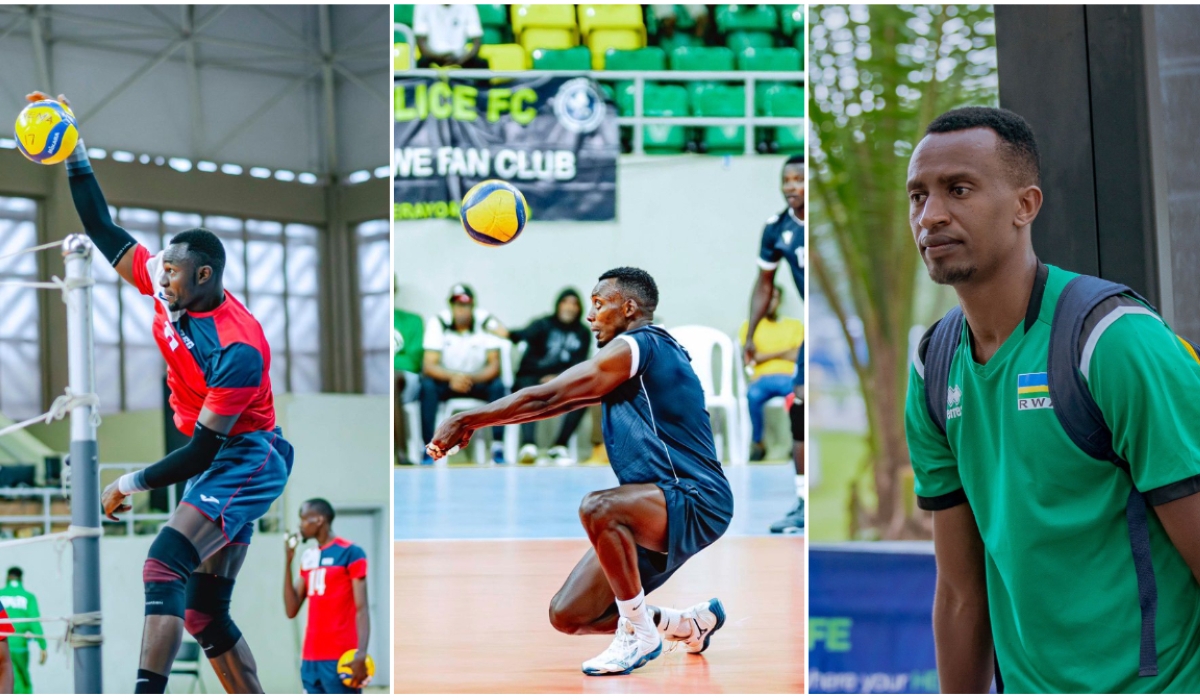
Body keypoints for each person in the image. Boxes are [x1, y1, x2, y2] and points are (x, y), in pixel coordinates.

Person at [904, 106, 1200, 692]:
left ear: (1025, 205)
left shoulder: (1113, 340)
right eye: (917, 196)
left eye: (958, 189)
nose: (931, 216)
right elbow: (962, 594)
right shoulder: (932, 363)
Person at [31, 90, 296, 694]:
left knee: (161, 564)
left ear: (205, 276)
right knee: (204, 613)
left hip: (246, 458)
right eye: (161, 270)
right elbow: (100, 225)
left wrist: (127, 484)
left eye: (171, 273)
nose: (159, 279)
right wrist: (73, 148)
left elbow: (205, 454)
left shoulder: (239, 350)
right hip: (218, 455)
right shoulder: (165, 284)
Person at [429, 267, 733, 675]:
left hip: (695, 497)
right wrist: (477, 421)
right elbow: (557, 403)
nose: (591, 316)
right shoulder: (632, 354)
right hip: (654, 506)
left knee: (598, 507)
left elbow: (547, 396)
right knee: (569, 615)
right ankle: (685, 624)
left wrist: (468, 419)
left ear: (628, 308)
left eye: (598, 304)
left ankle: (639, 634)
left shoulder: (639, 345)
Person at [745, 154, 806, 534]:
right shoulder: (776, 228)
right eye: (787, 179)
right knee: (798, 408)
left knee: (805, 406)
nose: (791, 185)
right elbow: (764, 285)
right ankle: (802, 504)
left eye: (799, 179)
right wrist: (750, 334)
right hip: (808, 332)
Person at [490, 289, 592, 465]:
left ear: (579, 308)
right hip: (531, 376)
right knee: (528, 390)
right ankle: (529, 445)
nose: (569, 307)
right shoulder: (543, 324)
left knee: (586, 393)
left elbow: (580, 365)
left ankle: (560, 446)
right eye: (565, 302)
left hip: (563, 380)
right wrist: (505, 333)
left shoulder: (582, 333)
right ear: (558, 305)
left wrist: (558, 378)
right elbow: (522, 335)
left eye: (574, 304)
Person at [284, 499, 371, 694]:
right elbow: (291, 610)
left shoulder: (351, 552)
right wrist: (288, 561)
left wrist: (361, 654)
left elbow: (362, 608)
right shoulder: (308, 557)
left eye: (304, 519)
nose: (300, 525)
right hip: (310, 658)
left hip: (340, 657)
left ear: (319, 520)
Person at [421, 284, 507, 464]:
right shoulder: (438, 322)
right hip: (447, 381)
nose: (462, 311)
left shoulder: (484, 325)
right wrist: (453, 377)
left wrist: (468, 378)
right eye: (458, 306)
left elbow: (494, 366)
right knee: (427, 386)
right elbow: (429, 365)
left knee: (498, 386)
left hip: (475, 380)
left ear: (472, 307)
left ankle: (498, 446)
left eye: (466, 306)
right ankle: (429, 446)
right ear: (451, 306)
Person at [738, 285, 804, 463]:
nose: (770, 302)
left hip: (788, 378)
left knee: (797, 397)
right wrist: (783, 352)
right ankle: (758, 443)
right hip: (761, 379)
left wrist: (765, 355)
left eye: (774, 297)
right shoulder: (750, 327)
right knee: (752, 396)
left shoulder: (794, 326)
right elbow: (751, 357)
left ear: (779, 301)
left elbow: (798, 354)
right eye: (766, 297)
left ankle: (796, 446)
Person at [0, 568, 46, 694]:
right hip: (20, 647)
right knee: (22, 683)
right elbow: (34, 622)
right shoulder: (28, 597)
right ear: (21, 579)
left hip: (3, 645)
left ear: (7, 578)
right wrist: (43, 645)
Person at [395, 287, 424, 465]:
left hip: (407, 381)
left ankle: (401, 451)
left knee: (392, 380)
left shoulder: (413, 321)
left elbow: (413, 360)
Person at [412, 4, 484, 69]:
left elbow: (477, 43)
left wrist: (462, 59)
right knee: (420, 65)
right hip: (431, 58)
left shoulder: (468, 6)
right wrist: (437, 57)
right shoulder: (422, 5)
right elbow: (421, 43)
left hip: (461, 58)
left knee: (481, 65)